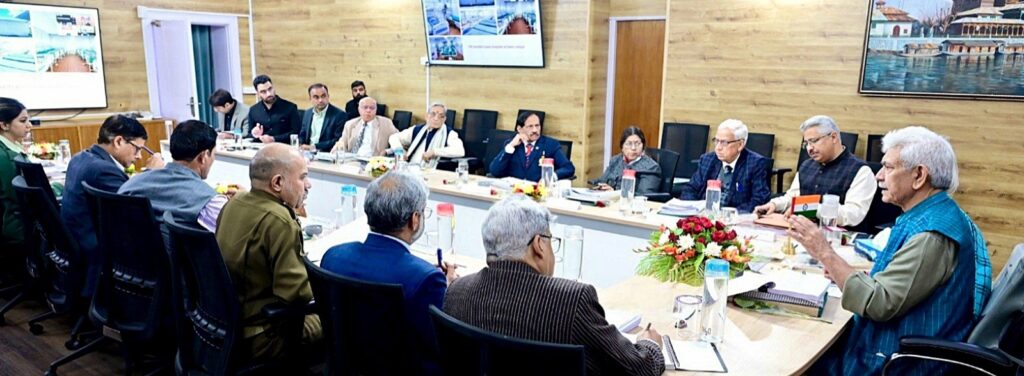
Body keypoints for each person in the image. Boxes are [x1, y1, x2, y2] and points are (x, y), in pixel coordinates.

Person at [790, 126, 991, 376]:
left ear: (919, 175)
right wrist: (843, 271)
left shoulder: (931, 235)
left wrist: (824, 252)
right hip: (900, 342)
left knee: (797, 358)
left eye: (888, 167)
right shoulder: (934, 213)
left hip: (898, 363)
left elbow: (879, 303)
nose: (878, 176)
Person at [444, 196, 665, 376]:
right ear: (539, 244)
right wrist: (650, 346)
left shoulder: (456, 291)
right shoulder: (573, 300)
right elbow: (639, 369)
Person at [320, 171, 457, 375]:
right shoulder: (426, 279)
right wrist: (450, 290)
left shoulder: (333, 256)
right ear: (415, 220)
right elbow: (439, 347)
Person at [215, 143, 319, 362]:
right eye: (302, 177)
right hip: (263, 334)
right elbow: (295, 294)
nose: (308, 185)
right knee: (343, 318)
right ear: (278, 182)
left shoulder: (234, 202)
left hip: (223, 324)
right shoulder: (279, 220)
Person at [63, 115, 165, 296]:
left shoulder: (81, 158)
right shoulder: (103, 171)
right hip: (97, 248)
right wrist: (152, 174)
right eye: (137, 149)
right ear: (118, 141)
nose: (139, 156)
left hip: (77, 240)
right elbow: (135, 210)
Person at [754, 115, 875, 227]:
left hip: (839, 239)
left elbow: (852, 215)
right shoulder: (807, 165)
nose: (809, 148)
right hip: (802, 232)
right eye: (806, 143)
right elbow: (793, 197)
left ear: (833, 137)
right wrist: (774, 205)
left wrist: (810, 208)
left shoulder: (860, 171)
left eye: (814, 141)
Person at [118, 120, 234, 233]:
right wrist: (241, 202)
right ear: (204, 156)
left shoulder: (130, 186)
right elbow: (239, 238)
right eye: (214, 154)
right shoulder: (210, 203)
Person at [680, 119, 771, 212]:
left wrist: (729, 214)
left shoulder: (755, 163)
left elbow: (760, 199)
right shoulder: (708, 159)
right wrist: (696, 209)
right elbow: (690, 189)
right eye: (716, 141)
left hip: (736, 219)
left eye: (724, 142)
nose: (718, 147)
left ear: (740, 144)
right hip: (704, 215)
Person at [488, 111, 575, 181]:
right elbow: (495, 171)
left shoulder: (550, 145)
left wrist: (551, 177)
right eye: (530, 126)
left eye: (537, 126)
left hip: (539, 192)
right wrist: (511, 146)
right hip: (515, 192)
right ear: (519, 129)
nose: (535, 130)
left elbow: (568, 168)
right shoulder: (511, 145)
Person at [592, 126, 661, 195]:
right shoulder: (616, 160)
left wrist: (614, 193)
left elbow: (644, 195)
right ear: (622, 147)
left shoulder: (651, 167)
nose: (633, 148)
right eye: (629, 144)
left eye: (637, 144)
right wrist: (599, 186)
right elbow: (603, 180)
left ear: (643, 146)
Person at [387, 103, 464, 164]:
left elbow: (459, 151)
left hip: (432, 172)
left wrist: (434, 152)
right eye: (433, 114)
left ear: (444, 119)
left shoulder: (450, 133)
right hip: (410, 167)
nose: (436, 118)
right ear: (426, 116)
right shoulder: (416, 129)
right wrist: (400, 152)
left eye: (441, 116)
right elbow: (393, 137)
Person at [0, 98, 29, 254]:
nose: (29, 126)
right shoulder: (6, 158)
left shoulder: (9, 149)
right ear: (4, 125)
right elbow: (18, 199)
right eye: (23, 121)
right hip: (15, 232)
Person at [331, 97, 398, 157]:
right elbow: (341, 143)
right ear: (359, 109)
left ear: (376, 110)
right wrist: (334, 153)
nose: (368, 111)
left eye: (372, 108)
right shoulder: (350, 124)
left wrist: (387, 151)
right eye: (365, 107)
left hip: (374, 163)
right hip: (352, 161)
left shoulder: (386, 123)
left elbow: (399, 142)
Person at [247, 75, 301, 144]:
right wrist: (254, 134)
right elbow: (249, 136)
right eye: (263, 92)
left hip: (284, 148)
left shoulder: (290, 108)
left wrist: (274, 139)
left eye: (270, 89)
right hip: (262, 148)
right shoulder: (253, 110)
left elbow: (296, 133)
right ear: (258, 94)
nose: (269, 94)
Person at [298, 83, 345, 153]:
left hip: (326, 154)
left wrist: (314, 147)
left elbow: (337, 140)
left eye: (323, 96)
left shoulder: (340, 115)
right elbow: (302, 134)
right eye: (316, 97)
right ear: (310, 99)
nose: (320, 100)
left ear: (328, 96)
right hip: (306, 153)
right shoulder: (307, 113)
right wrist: (300, 144)